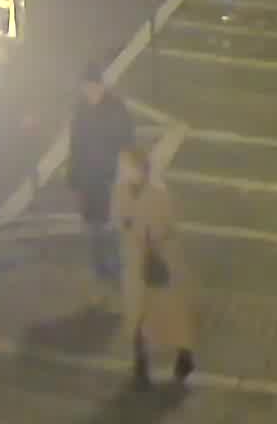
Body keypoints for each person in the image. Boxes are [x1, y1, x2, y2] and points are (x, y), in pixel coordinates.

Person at [114, 142, 195, 388]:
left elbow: (168, 224)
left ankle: (184, 355)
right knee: (137, 315)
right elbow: (119, 218)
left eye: (127, 168)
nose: (123, 171)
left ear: (141, 170)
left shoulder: (159, 195)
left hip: (159, 261)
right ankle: (141, 363)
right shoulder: (121, 191)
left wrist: (152, 237)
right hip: (134, 263)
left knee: (167, 315)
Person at [65, 72, 134, 297]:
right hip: (89, 180)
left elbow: (126, 143)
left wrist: (124, 173)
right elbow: (75, 144)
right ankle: (101, 268)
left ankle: (113, 269)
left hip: (109, 178)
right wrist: (74, 177)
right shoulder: (81, 110)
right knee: (94, 226)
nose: (90, 93)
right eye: (86, 89)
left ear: (101, 87)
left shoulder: (116, 110)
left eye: (93, 88)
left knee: (111, 225)